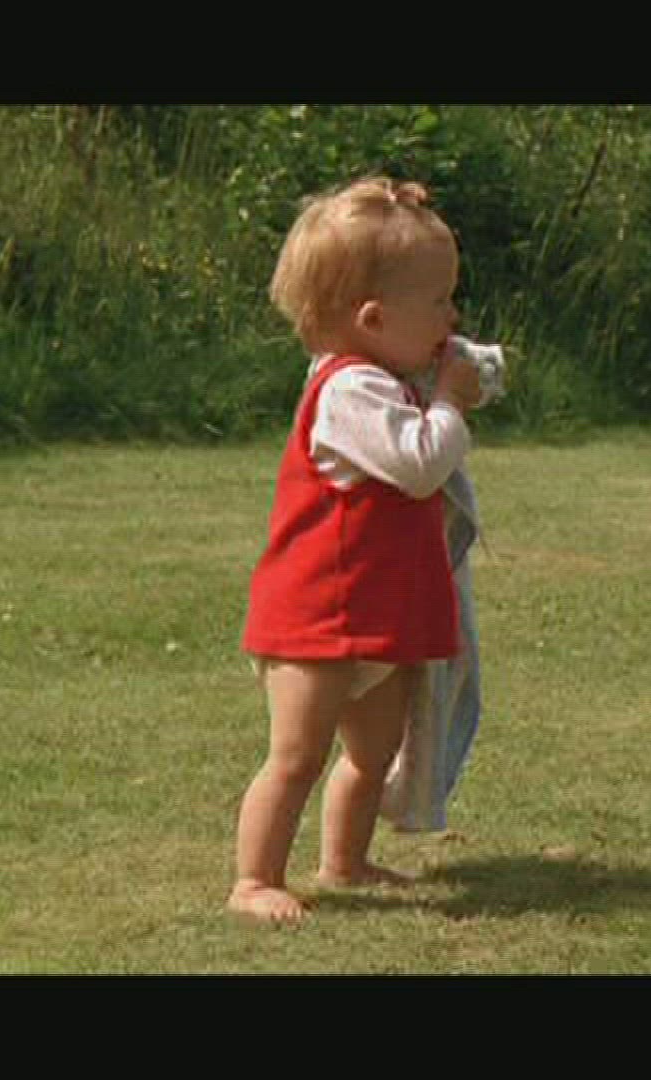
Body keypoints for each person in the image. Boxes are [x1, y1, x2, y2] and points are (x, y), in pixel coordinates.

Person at [228, 176, 483, 924]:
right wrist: (451, 401)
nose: (452, 317)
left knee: (372, 753)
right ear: (374, 319)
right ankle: (253, 879)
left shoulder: (385, 379)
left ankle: (345, 860)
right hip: (318, 616)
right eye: (439, 301)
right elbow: (418, 462)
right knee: (296, 756)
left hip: (375, 616)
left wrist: (439, 392)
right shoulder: (348, 391)